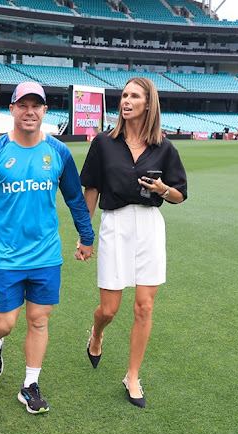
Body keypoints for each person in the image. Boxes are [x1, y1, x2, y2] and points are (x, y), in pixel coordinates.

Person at [0, 81, 95, 414]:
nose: (29, 111)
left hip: (46, 256)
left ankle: (29, 384)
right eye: (22, 105)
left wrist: (86, 235)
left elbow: (74, 199)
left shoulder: (58, 153)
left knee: (39, 320)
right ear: (11, 109)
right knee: (4, 323)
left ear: (44, 111)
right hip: (6, 257)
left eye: (36, 105)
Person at [80, 77, 188, 408]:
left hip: (150, 227)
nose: (126, 100)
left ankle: (132, 376)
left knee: (144, 306)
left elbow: (180, 194)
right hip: (115, 224)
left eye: (134, 96)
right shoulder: (103, 143)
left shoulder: (165, 148)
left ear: (147, 103)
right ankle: (96, 334)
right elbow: (91, 189)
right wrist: (86, 235)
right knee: (110, 309)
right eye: (124, 95)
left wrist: (162, 191)